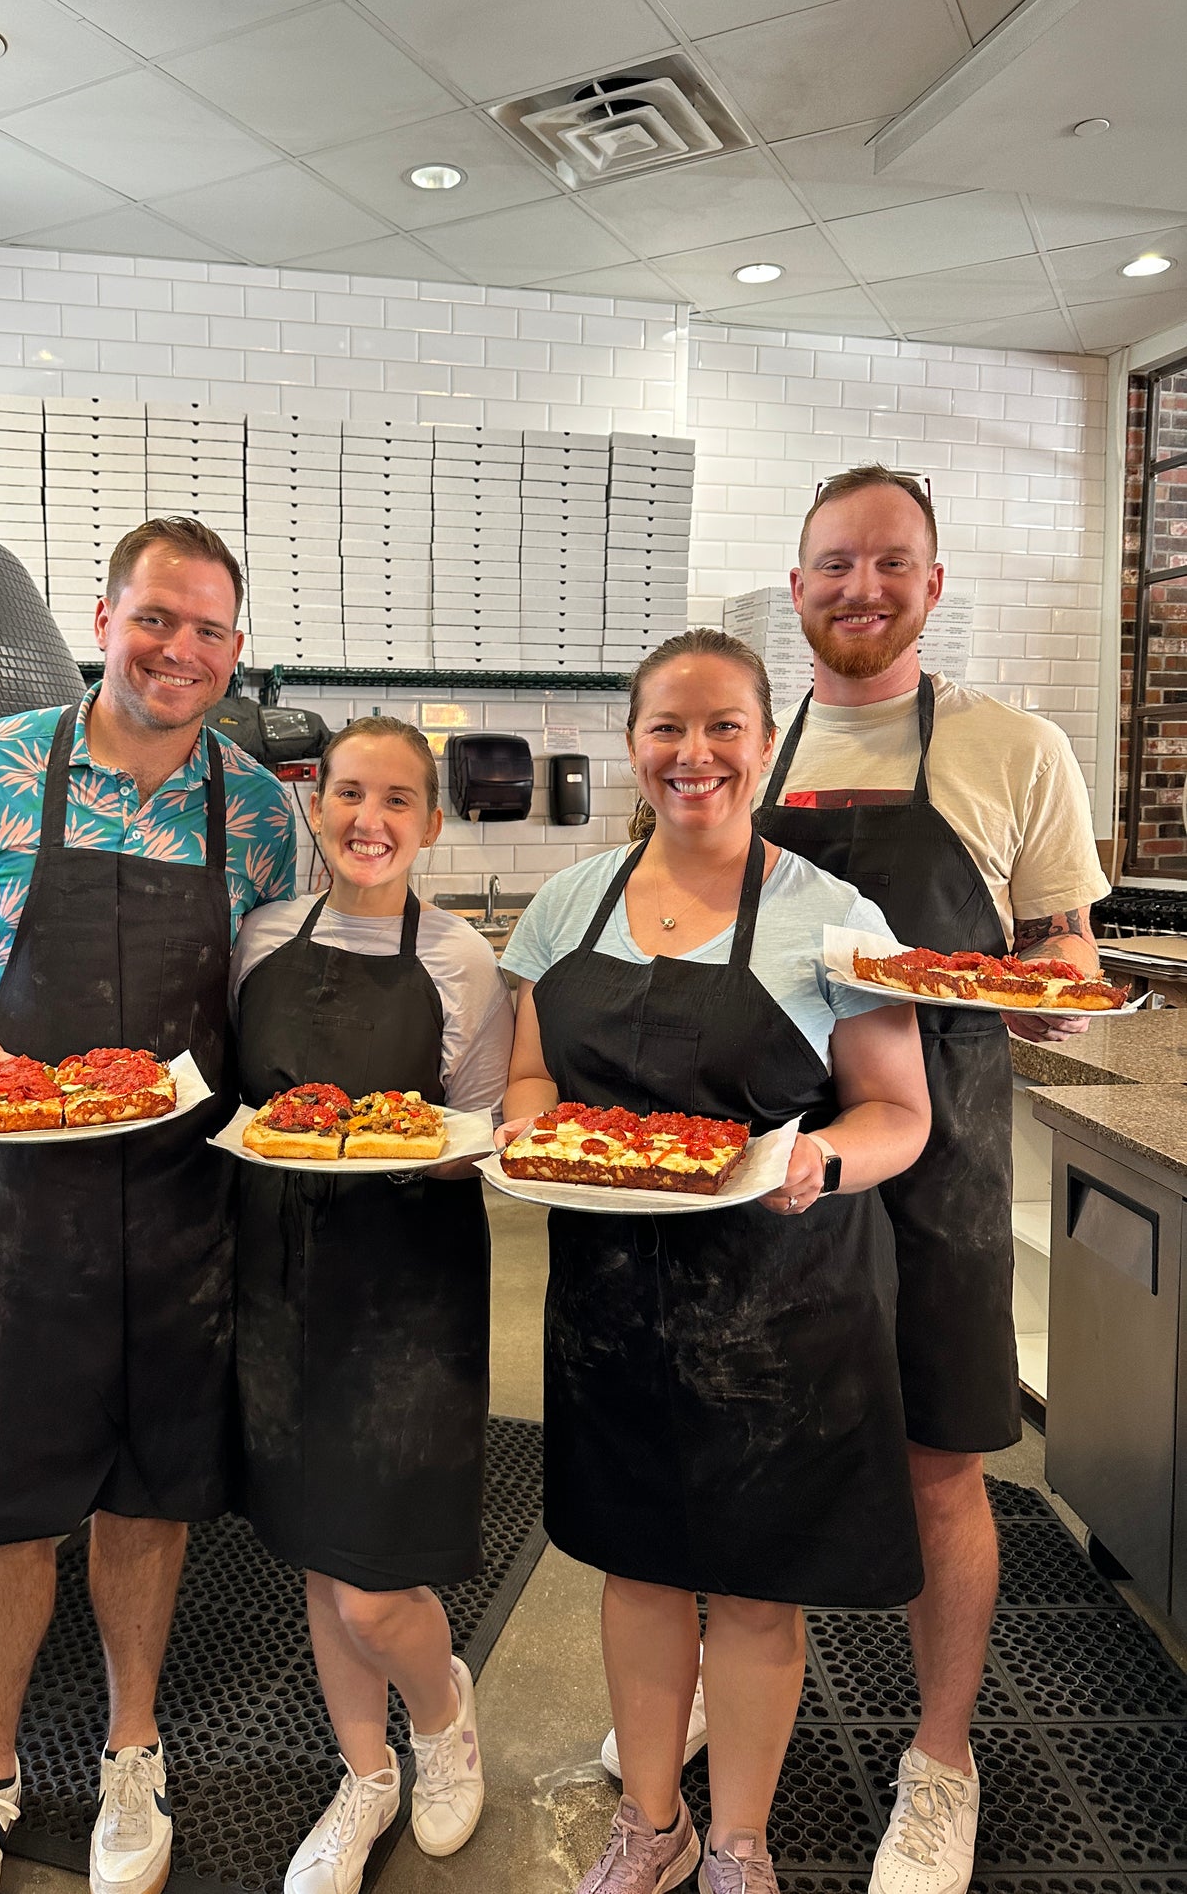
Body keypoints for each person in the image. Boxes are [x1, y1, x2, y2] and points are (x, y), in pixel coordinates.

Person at [0, 517, 296, 1894]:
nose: (180, 649)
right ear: (101, 618)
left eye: (209, 629)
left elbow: (284, 995)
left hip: (180, 1207)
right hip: (0, 1200)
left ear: (234, 649)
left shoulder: (261, 810)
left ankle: (130, 1750)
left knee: (146, 1498)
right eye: (156, 617)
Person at [499, 628, 933, 1894]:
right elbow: (527, 1073)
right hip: (608, 1309)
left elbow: (895, 1113)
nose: (693, 755)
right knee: (636, 1573)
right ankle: (653, 1823)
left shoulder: (832, 915)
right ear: (632, 746)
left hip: (780, 1305)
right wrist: (530, 1122)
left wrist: (821, 1164)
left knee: (751, 1594)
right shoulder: (566, 902)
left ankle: (736, 1842)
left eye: (723, 726)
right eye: (666, 729)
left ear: (762, 741)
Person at [754, 466, 1111, 1894]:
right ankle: (729, 1682)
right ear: (797, 586)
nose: (861, 587)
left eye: (890, 563)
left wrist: (1050, 996)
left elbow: (1066, 950)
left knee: (942, 1469)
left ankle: (942, 1756)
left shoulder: (1014, 747)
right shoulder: (743, 747)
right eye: (834, 563)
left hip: (945, 1163)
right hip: (771, 1157)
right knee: (760, 1445)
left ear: (932, 583)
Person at [230, 715, 513, 1894]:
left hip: (408, 1290)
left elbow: (482, 1132)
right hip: (277, 1278)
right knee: (312, 1547)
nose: (368, 819)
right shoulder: (253, 938)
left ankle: (442, 1720)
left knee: (373, 1575)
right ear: (316, 804)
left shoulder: (461, 961)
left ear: (430, 823)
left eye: (398, 799)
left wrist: (384, 1148)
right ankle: (364, 1773)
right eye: (348, 792)